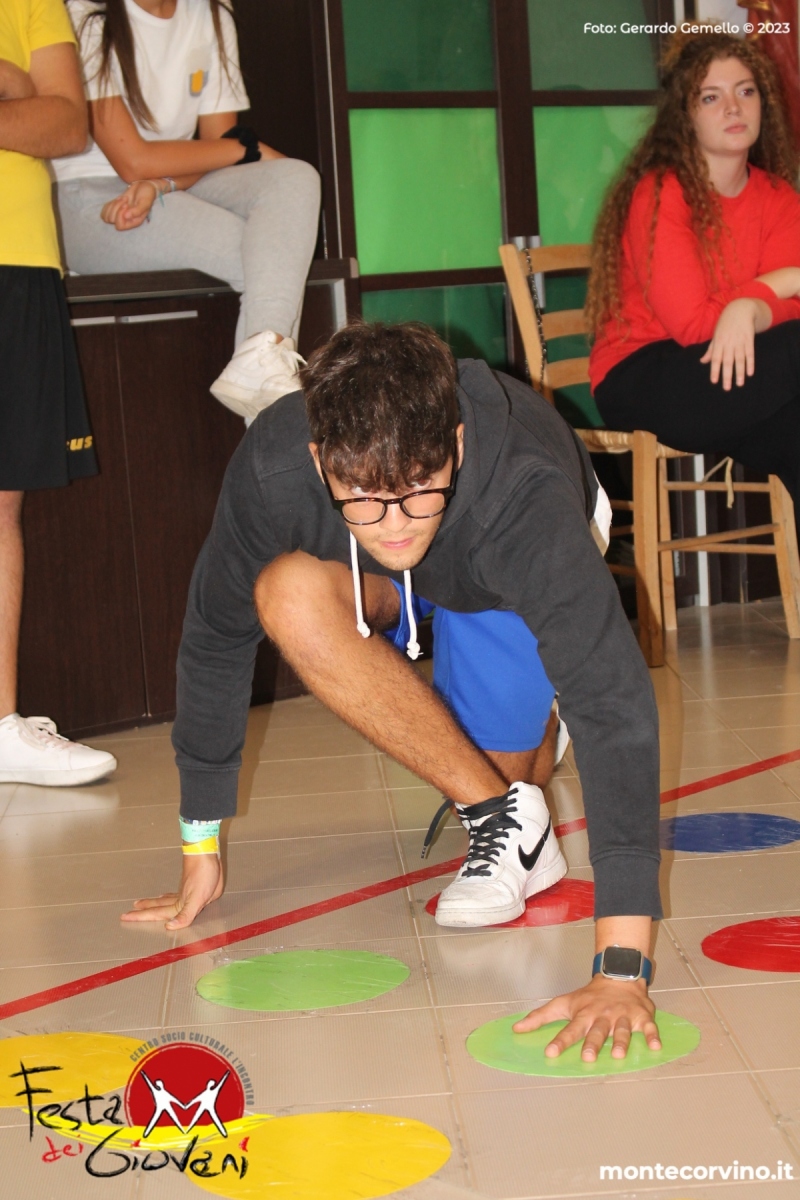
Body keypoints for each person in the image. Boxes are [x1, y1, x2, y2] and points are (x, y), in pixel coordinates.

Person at [123, 320, 664, 1063]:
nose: (396, 527)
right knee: (285, 591)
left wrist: (622, 968)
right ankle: (504, 810)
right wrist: (199, 840)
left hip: (494, 573)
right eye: (365, 498)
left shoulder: (524, 497)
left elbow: (613, 702)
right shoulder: (275, 466)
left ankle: (534, 715)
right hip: (379, 583)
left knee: (525, 766)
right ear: (320, 461)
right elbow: (215, 632)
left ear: (457, 446)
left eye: (416, 490)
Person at [52, 0, 321, 420]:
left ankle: (263, 377)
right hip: (88, 195)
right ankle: (272, 422)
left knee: (296, 177)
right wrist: (246, 147)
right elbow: (132, 161)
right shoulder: (87, 13)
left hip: (169, 182)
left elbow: (217, 150)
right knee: (266, 256)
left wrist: (165, 182)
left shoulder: (211, 10)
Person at [588, 32, 800, 534]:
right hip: (644, 376)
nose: (733, 107)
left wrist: (749, 309)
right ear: (685, 114)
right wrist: (783, 283)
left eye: (746, 91)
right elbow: (693, 325)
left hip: (733, 373)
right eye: (711, 97)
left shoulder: (779, 198)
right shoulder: (660, 194)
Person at [0, 0, 116, 787]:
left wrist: (27, 95)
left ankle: (1, 725)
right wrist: (13, 93)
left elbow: (68, 124)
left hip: (17, 256)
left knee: (1, 500)